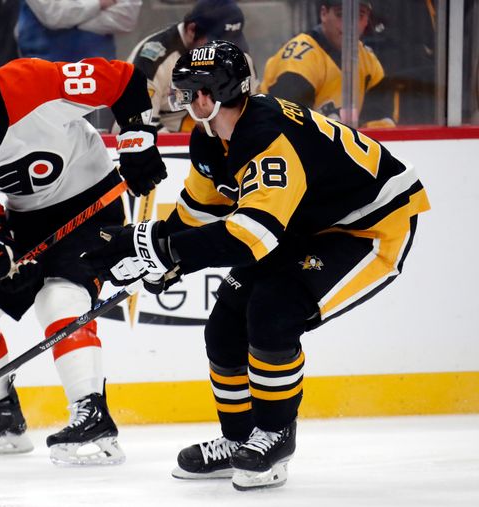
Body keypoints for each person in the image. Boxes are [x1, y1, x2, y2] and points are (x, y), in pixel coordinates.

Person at [84, 40, 429, 489]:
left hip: (369, 228)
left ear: (207, 97)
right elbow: (199, 214)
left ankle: (274, 437)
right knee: (224, 327)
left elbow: (253, 239)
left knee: (273, 313)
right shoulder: (210, 138)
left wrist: (166, 252)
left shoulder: (267, 136)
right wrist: (149, 249)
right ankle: (239, 438)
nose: (182, 102)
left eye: (186, 92)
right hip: (302, 225)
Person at [0, 40, 166, 465]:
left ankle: (93, 416)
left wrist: (137, 141)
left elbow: (123, 82)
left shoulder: (36, 82)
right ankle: (1, 417)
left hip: (93, 202)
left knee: (60, 298)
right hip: (27, 223)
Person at [126, 0, 257, 132]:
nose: (223, 53)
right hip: (168, 143)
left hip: (225, 139)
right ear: (191, 30)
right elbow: (136, 125)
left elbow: (253, 111)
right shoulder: (151, 61)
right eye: (215, 44)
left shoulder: (238, 56)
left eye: (232, 42)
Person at [259, 0, 395, 127]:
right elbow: (286, 127)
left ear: (366, 20)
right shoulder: (300, 60)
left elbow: (382, 124)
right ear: (324, 14)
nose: (350, 25)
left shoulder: (368, 60)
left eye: (359, 16)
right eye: (341, 15)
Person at [17, 0, 142, 61]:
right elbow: (53, 15)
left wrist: (71, 16)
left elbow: (126, 18)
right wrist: (99, 4)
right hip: (44, 72)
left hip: (98, 72)